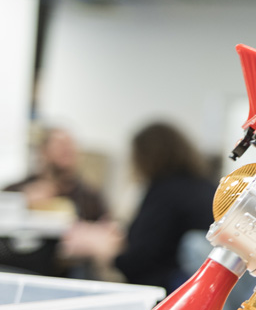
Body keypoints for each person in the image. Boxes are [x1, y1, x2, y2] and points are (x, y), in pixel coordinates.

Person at [60, 122, 216, 292]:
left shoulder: (165, 192)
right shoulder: (205, 187)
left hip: (170, 292)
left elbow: (136, 262)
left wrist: (102, 250)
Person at [2, 127, 110, 276]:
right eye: (60, 145)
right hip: (17, 267)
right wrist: (24, 201)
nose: (67, 150)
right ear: (44, 151)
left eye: (70, 145)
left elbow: (107, 230)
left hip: (64, 272)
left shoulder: (89, 196)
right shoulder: (17, 189)